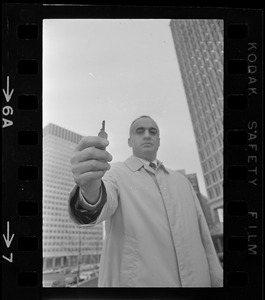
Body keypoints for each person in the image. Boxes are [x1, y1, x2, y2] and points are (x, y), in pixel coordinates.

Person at [68, 115, 223, 287]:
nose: (147, 135)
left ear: (159, 140)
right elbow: (98, 203)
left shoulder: (183, 182)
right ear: (129, 141)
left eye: (153, 131)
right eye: (139, 131)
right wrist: (89, 189)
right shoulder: (114, 174)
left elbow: (206, 242)